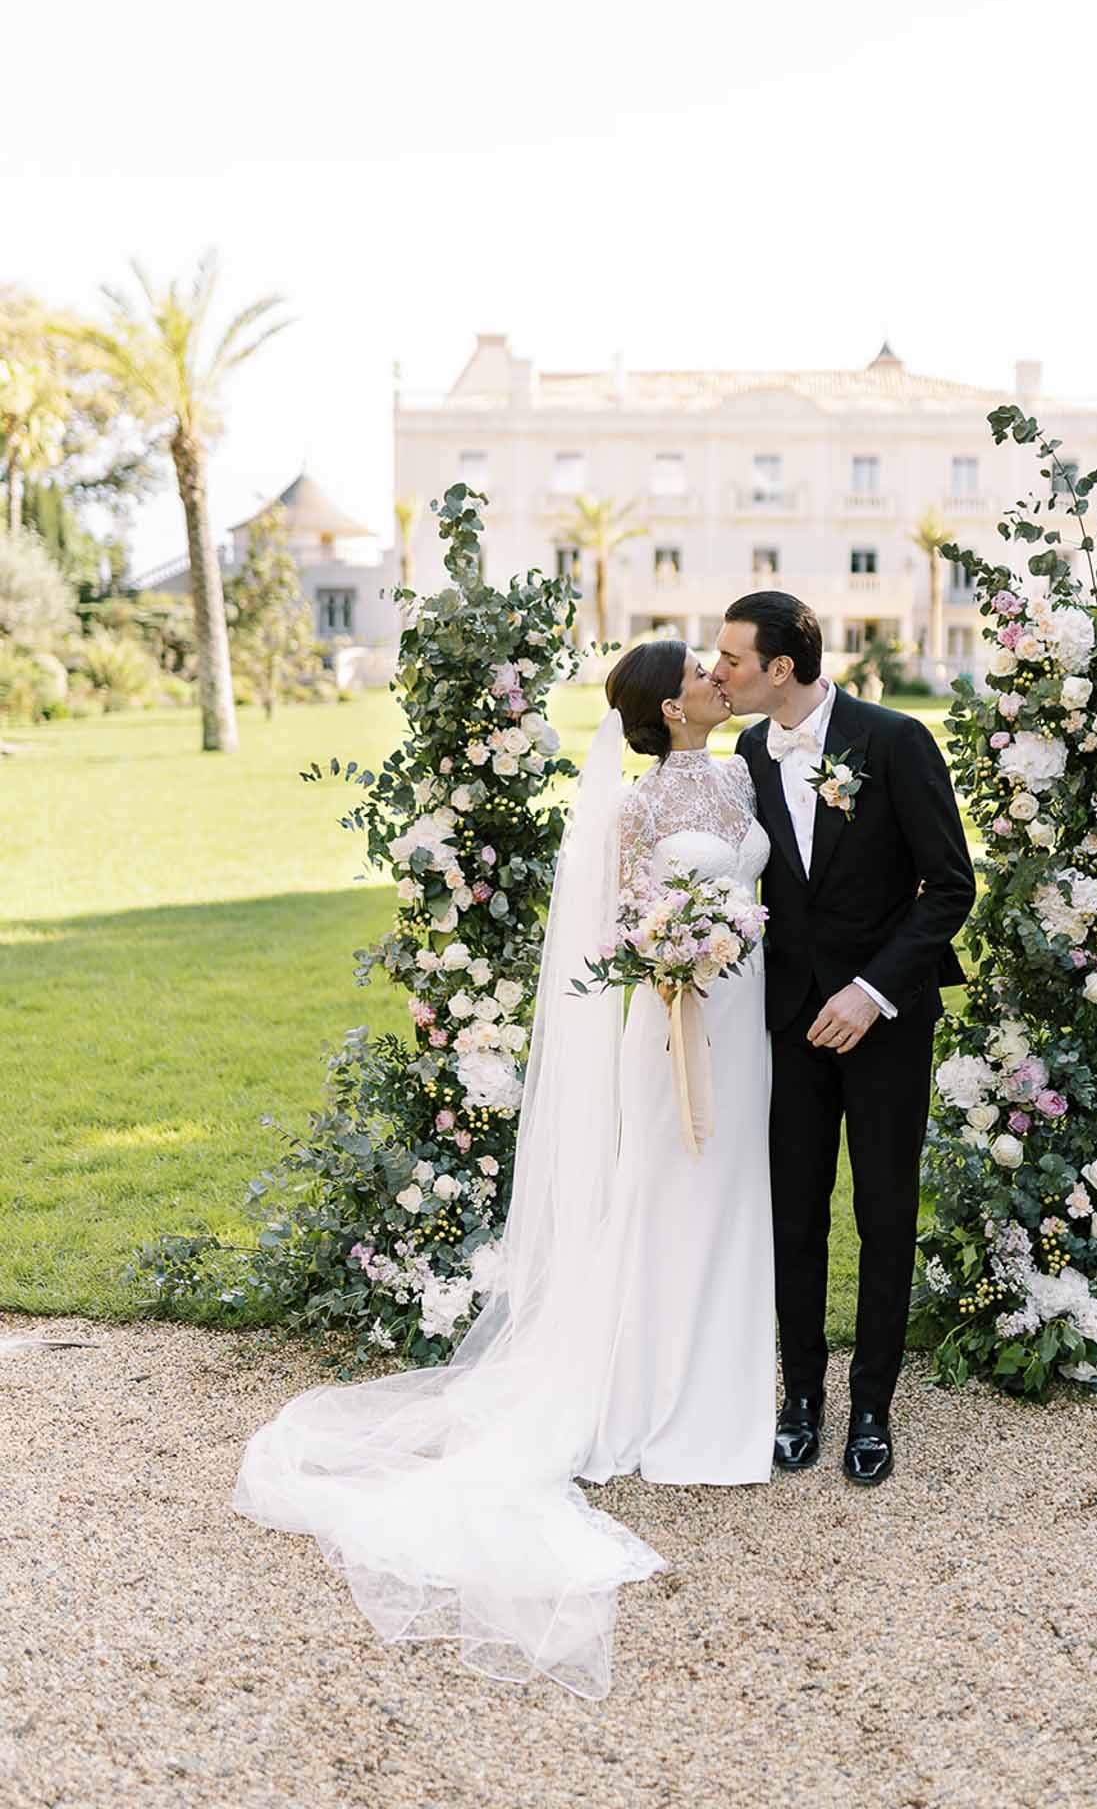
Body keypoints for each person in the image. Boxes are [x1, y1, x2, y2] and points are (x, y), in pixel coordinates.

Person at [233, 640, 775, 1700]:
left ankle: (728, 1382)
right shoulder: (632, 807)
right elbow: (620, 924)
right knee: (665, 1197)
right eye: (704, 677)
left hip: (746, 1024)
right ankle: (654, 1390)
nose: (723, 679)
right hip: (673, 1022)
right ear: (672, 708)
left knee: (732, 1197)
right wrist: (671, 953)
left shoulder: (744, 772)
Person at [714, 592, 975, 1487]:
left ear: (781, 668)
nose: (720, 673)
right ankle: (799, 1399)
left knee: (885, 1212)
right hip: (785, 1022)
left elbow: (949, 888)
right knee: (794, 1212)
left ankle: (872, 1405)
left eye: (733, 660)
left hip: (884, 1024)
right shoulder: (749, 751)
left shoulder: (896, 741)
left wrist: (870, 992)